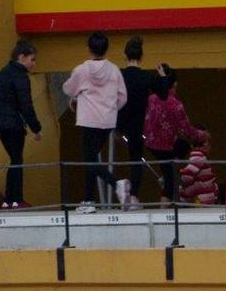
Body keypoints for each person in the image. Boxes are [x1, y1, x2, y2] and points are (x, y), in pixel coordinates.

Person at [62, 31, 129, 213]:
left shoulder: (82, 70)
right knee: (91, 159)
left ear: (88, 48)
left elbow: (68, 88)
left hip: (88, 120)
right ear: (106, 49)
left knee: (88, 160)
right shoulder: (114, 70)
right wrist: (111, 107)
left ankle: (116, 183)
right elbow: (122, 97)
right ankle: (88, 200)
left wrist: (78, 96)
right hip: (107, 121)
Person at [0, 39, 42, 208]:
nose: (33, 64)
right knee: (17, 160)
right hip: (12, 124)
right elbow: (26, 105)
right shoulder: (20, 76)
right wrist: (36, 128)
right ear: (22, 57)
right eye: (32, 59)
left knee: (14, 159)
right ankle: (16, 199)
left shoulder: (4, 72)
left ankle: (8, 200)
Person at [143, 64, 208, 204]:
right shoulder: (175, 104)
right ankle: (164, 209)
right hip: (166, 145)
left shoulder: (151, 99)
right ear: (173, 85)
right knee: (169, 181)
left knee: (169, 174)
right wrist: (202, 134)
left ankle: (172, 173)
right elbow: (186, 129)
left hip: (150, 141)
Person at [116, 36, 155, 209]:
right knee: (136, 160)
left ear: (125, 55)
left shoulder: (119, 75)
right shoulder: (146, 77)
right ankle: (133, 196)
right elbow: (162, 91)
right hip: (137, 124)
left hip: (117, 121)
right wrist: (163, 75)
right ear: (141, 56)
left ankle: (115, 186)